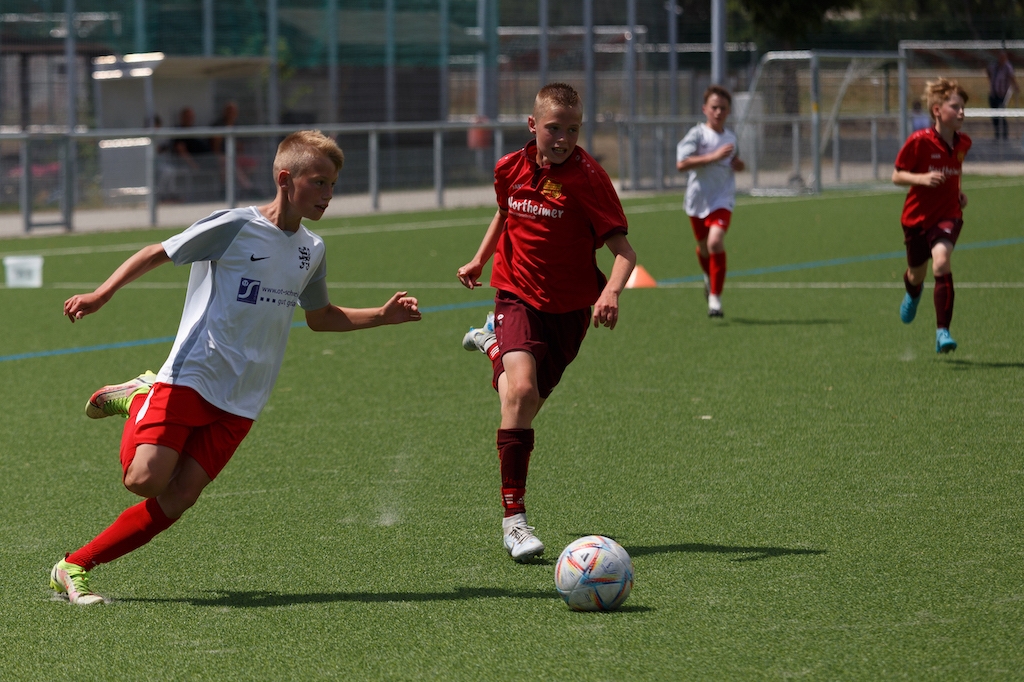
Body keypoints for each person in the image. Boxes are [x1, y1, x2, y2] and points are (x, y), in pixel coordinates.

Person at [51, 130, 421, 605]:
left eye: (332, 184)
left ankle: (74, 565)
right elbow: (157, 252)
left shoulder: (312, 249)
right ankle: (141, 396)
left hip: (246, 395)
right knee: (143, 480)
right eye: (319, 182)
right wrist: (101, 295)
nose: (328, 194)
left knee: (180, 496)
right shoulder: (235, 225)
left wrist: (383, 316)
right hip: (194, 372)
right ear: (285, 179)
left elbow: (321, 316)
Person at [456, 83, 636, 562]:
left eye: (573, 130)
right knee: (519, 393)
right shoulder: (508, 168)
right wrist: (480, 259)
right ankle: (514, 522)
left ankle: (492, 345)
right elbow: (504, 213)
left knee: (524, 404)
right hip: (515, 293)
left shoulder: (589, 178)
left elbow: (625, 253)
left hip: (570, 310)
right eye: (554, 128)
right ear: (533, 125)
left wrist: (611, 292)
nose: (563, 139)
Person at [892, 78, 971, 354]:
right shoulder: (919, 141)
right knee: (916, 274)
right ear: (937, 110)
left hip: (948, 214)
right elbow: (896, 176)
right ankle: (913, 293)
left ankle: (942, 332)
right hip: (916, 219)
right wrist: (922, 179)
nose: (961, 112)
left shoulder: (963, 143)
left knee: (941, 262)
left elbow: (955, 171)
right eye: (955, 107)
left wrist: (958, 192)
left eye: (963, 107)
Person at [676, 85, 746, 318]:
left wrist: (740, 165)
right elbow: (681, 164)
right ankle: (708, 277)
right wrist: (713, 157)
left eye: (723, 108)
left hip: (722, 199)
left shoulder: (731, 138)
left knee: (715, 242)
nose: (718, 112)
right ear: (705, 109)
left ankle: (715, 298)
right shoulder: (697, 134)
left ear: (729, 111)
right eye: (714, 107)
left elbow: (735, 163)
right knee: (704, 248)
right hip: (698, 200)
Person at [986, 51, 1018, 140]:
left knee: (1001, 114)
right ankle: (997, 133)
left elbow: (1012, 77)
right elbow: (988, 71)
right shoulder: (994, 66)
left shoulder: (1007, 67)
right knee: (994, 115)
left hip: (1002, 95)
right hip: (993, 93)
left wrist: (1015, 87)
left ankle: (1004, 134)